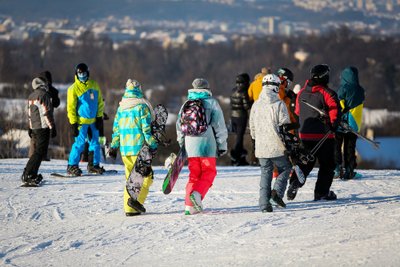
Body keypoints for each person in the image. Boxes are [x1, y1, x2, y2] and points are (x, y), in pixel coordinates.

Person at [287, 64, 340, 201]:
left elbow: (298, 111)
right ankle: (321, 193)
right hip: (324, 136)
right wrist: (334, 123)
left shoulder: (302, 93)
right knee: (327, 165)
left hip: (304, 134)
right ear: (324, 77)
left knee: (305, 162)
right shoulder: (328, 93)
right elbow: (334, 110)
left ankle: (295, 182)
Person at [176, 78, 228, 215]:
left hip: (190, 143)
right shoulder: (212, 103)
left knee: (194, 175)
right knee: (209, 172)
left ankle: (189, 207)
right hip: (207, 144)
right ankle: (197, 194)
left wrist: (182, 144)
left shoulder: (186, 104)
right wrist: (222, 145)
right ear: (207, 88)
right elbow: (219, 126)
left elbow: (179, 127)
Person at [108, 79, 157, 216]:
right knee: (147, 177)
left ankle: (129, 209)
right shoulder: (142, 107)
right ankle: (136, 203)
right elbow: (146, 130)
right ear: (139, 90)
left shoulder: (121, 107)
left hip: (125, 151)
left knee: (130, 180)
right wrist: (153, 144)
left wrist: (113, 147)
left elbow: (116, 130)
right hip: (139, 150)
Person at [249, 74, 292, 212]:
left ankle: (264, 205)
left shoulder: (256, 104)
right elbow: (285, 125)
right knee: (285, 168)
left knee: (265, 173)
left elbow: (252, 127)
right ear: (276, 87)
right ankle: (277, 194)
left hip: (261, 147)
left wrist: (257, 139)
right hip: (277, 145)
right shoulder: (279, 104)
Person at [66, 63, 105, 176]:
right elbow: (71, 107)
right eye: (80, 73)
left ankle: (93, 165)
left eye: (84, 73)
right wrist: (73, 123)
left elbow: (100, 102)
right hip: (81, 122)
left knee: (95, 143)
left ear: (88, 73)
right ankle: (72, 166)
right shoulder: (73, 89)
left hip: (93, 121)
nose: (82, 75)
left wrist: (99, 117)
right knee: (79, 144)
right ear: (76, 74)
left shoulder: (94, 85)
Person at [21, 77, 57, 185]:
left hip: (35, 128)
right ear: (41, 84)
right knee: (40, 152)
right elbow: (47, 113)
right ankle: (28, 173)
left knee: (38, 152)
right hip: (42, 128)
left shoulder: (31, 96)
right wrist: (52, 127)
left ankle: (32, 173)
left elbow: (29, 114)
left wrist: (30, 127)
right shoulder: (44, 95)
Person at [335, 66, 365, 180]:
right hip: (354, 123)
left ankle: (337, 169)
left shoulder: (343, 88)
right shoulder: (360, 90)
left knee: (337, 146)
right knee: (350, 147)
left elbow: (339, 103)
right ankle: (350, 170)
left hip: (341, 123)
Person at [29, 70, 60, 161]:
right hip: (46, 118)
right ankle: (41, 157)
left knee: (35, 140)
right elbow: (56, 104)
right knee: (44, 139)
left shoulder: (36, 90)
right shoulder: (52, 91)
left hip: (36, 118)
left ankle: (33, 158)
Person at [229, 73, 252, 166]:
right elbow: (246, 106)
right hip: (241, 117)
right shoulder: (243, 92)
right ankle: (235, 155)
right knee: (239, 137)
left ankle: (239, 156)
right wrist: (253, 101)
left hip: (233, 116)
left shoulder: (233, 90)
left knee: (238, 137)